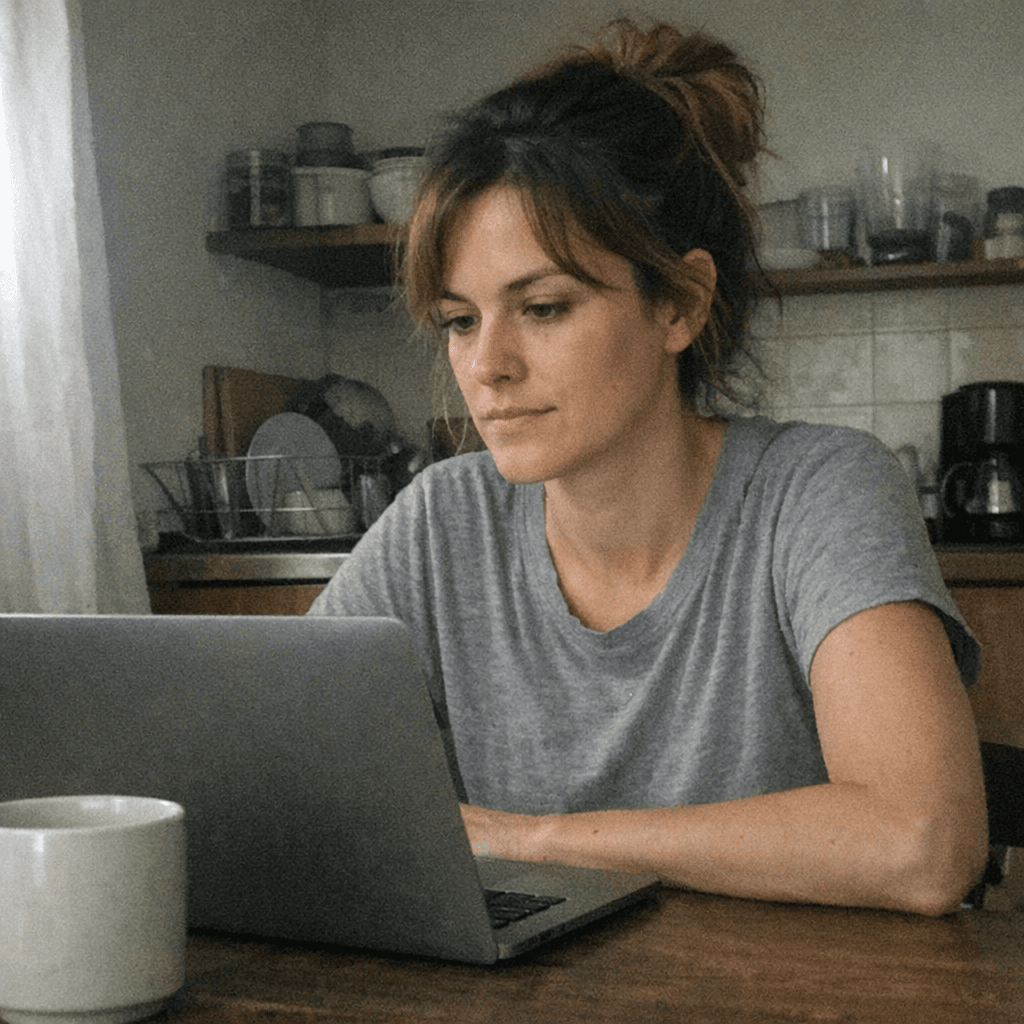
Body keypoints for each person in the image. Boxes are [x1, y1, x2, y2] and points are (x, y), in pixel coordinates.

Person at [309, 18, 988, 915]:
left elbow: (923, 843)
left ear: (681, 304)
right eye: (460, 319)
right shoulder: (442, 521)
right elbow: (268, 763)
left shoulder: (818, 491)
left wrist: (526, 840)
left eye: (543, 307)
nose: (485, 366)